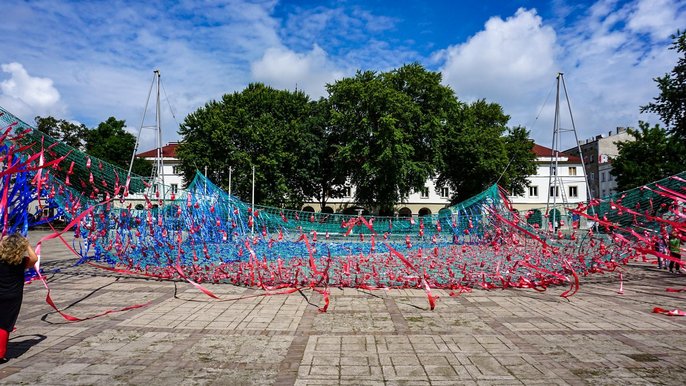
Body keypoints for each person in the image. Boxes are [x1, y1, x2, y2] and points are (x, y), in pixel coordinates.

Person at [0, 233, 38, 364]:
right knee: (5, 324)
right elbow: (34, 258)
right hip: (13, 297)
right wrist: (27, 244)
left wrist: (2, 242)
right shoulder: (21, 262)